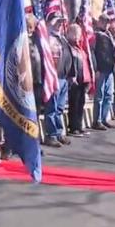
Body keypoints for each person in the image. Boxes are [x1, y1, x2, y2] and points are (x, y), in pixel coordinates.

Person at [44, 11, 73, 147]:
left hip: (63, 78)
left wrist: (71, 74)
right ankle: (51, 135)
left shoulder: (62, 38)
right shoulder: (47, 38)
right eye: (57, 22)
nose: (59, 25)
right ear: (50, 22)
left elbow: (68, 56)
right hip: (53, 78)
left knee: (60, 108)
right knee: (52, 108)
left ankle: (59, 132)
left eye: (61, 22)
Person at [66, 24, 92, 137]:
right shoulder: (68, 47)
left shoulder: (79, 48)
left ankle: (79, 126)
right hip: (74, 81)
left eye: (79, 34)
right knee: (74, 104)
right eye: (75, 34)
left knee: (81, 104)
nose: (77, 37)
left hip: (83, 80)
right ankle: (73, 127)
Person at [92, 14, 115, 131]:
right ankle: (96, 121)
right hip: (101, 69)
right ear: (99, 22)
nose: (106, 24)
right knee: (99, 96)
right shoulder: (96, 35)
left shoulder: (109, 35)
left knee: (108, 95)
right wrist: (95, 68)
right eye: (104, 22)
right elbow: (92, 52)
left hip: (109, 69)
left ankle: (104, 119)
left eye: (108, 22)